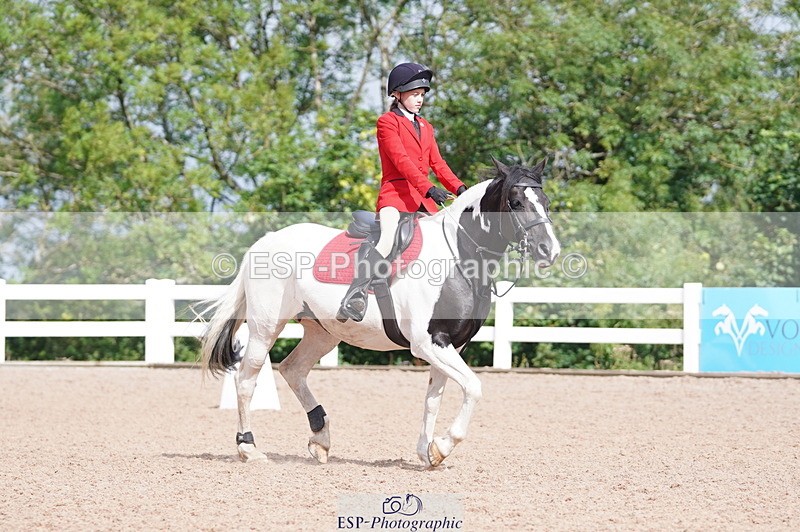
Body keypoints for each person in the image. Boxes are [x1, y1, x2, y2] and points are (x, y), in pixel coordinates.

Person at [337, 62, 467, 322]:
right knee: (387, 239)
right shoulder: (387, 122)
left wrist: (461, 189)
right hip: (395, 197)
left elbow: (438, 163)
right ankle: (356, 294)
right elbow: (401, 161)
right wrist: (429, 188)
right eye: (414, 94)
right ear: (397, 94)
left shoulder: (426, 126)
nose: (420, 100)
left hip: (422, 202)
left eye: (422, 95)